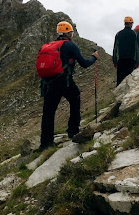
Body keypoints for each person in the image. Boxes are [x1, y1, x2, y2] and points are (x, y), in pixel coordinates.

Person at [39, 21, 99, 149]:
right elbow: (84, 63)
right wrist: (93, 58)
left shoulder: (49, 46)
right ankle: (73, 131)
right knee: (75, 99)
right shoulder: (70, 45)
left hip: (48, 83)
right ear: (67, 33)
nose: (72, 34)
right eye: (71, 32)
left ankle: (45, 143)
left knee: (48, 112)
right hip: (64, 81)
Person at [112, 16, 139, 86]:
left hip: (121, 60)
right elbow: (137, 49)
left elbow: (115, 48)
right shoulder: (135, 34)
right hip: (131, 60)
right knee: (129, 80)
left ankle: (118, 95)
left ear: (124, 23)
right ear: (131, 24)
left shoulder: (118, 34)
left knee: (120, 80)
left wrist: (114, 61)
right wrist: (137, 62)